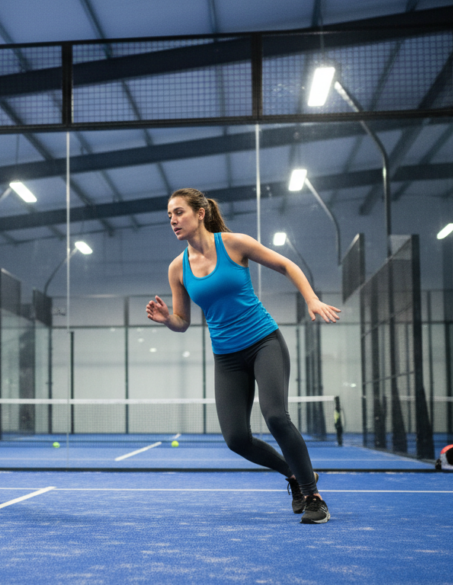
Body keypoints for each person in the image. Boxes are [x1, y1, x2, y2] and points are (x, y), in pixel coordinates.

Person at [145, 188, 340, 524]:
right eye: (169, 215)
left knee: (275, 416)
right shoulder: (177, 268)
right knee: (236, 439)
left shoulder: (234, 244)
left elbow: (286, 265)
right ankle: (294, 474)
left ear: (200, 213)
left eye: (179, 212)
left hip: (264, 342)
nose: (173, 220)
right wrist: (167, 320)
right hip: (227, 358)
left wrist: (311, 299)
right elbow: (183, 322)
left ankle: (313, 496)